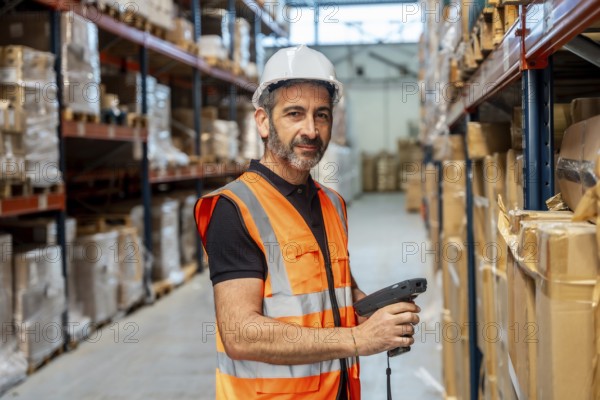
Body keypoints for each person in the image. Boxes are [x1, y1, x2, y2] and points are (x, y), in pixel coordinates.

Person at [194, 45, 420, 399]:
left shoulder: (332, 203)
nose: (311, 130)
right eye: (295, 114)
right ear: (263, 121)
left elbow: (331, 293)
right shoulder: (235, 208)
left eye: (322, 115)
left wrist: (373, 311)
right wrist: (359, 339)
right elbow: (240, 333)